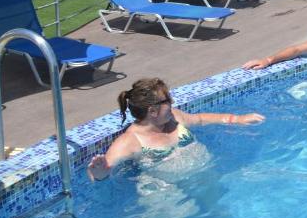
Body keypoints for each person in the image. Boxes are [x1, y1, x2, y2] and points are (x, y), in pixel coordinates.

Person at [87, 77, 264, 181]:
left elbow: (201, 119)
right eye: (167, 100)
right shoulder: (131, 141)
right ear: (152, 111)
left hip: (204, 174)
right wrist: (99, 172)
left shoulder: (174, 117)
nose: (172, 102)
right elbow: (100, 173)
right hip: (163, 188)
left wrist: (236, 119)